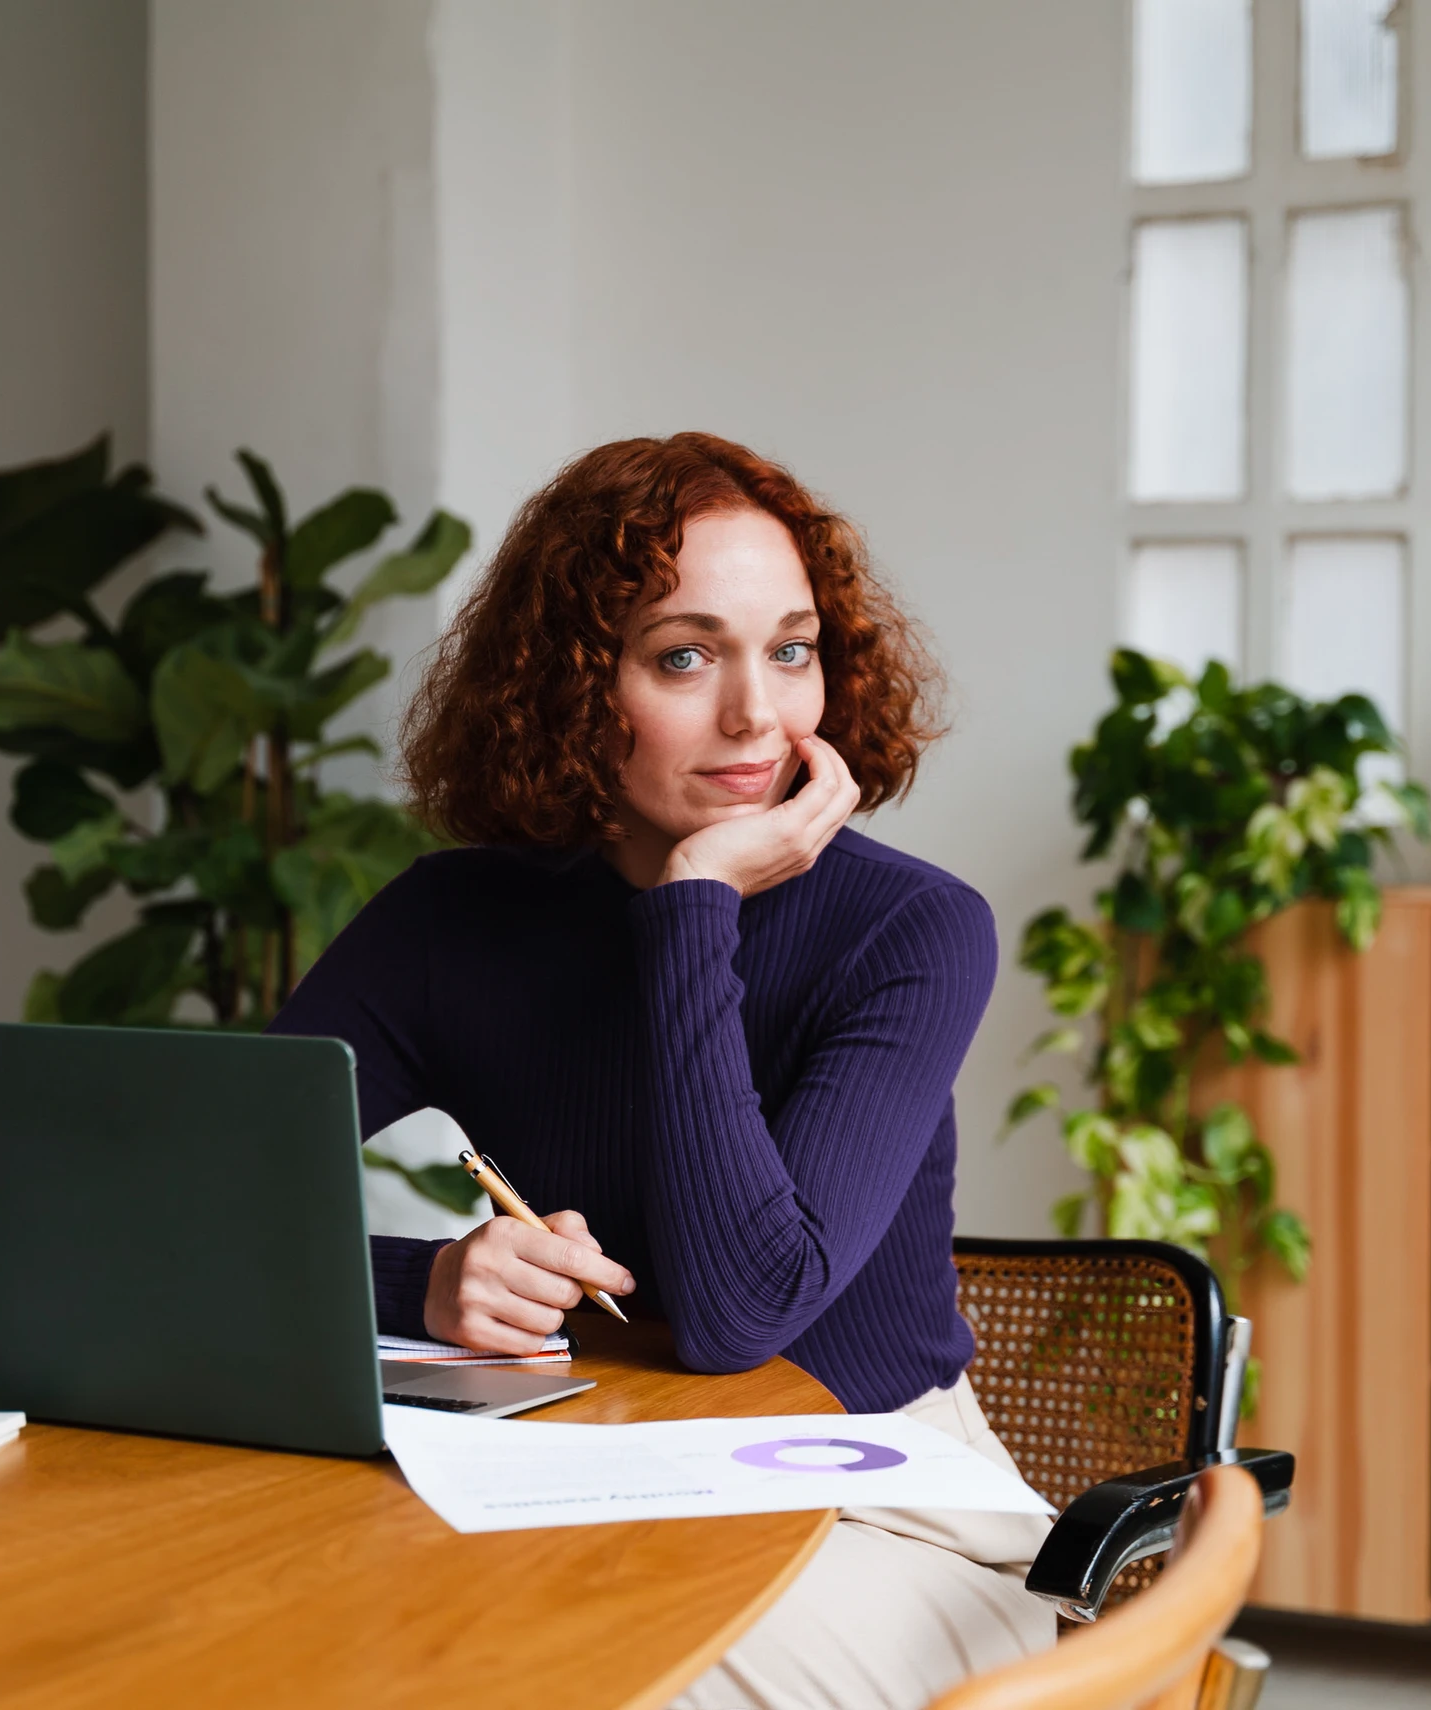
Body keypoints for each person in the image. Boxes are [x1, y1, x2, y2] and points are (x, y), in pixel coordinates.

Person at [269, 432, 1053, 1710]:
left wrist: (694, 908)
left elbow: (741, 1316)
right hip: (578, 1471)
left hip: (873, 1507)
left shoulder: (914, 931)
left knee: (577, 1687)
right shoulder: (451, 922)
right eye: (685, 656)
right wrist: (431, 1282)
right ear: (576, 688)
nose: (757, 713)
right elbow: (208, 1213)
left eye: (790, 650)